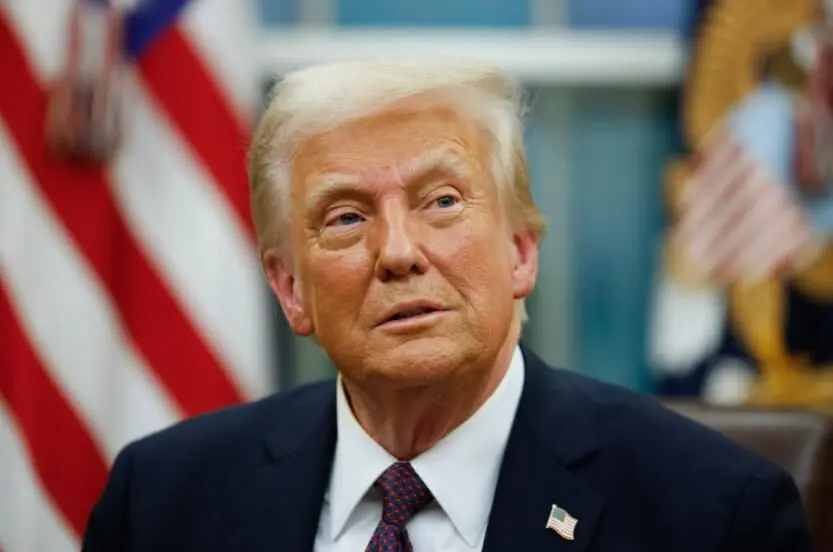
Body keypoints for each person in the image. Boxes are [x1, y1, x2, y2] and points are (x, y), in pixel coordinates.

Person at [81, 61, 814, 552]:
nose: (397, 251)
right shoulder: (162, 503)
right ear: (290, 289)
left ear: (520, 253)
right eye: (344, 217)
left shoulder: (713, 517)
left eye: (441, 201)